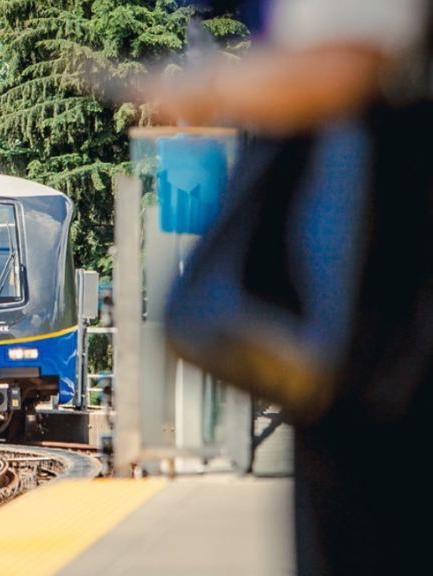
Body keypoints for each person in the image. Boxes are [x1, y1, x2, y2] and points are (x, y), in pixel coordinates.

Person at [158, 1, 431, 574]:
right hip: (372, 267)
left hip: (374, 269)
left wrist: (207, 87)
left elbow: (343, 66)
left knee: (364, 506)